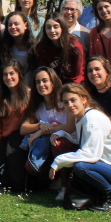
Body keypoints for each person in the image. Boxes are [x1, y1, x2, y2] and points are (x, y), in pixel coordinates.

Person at [50, 84, 111, 212]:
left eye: (73, 100)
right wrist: (60, 134)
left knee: (82, 167)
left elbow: (91, 154)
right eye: (66, 102)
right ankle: (101, 196)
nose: (70, 105)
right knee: (81, 165)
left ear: (84, 99)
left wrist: (58, 161)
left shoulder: (92, 118)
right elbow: (79, 139)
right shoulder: (82, 117)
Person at [19, 67, 75, 198]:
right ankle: (53, 180)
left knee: (58, 143)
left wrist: (44, 130)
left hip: (71, 144)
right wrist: (40, 126)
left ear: (53, 82)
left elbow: (70, 127)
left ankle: (65, 186)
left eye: (45, 81)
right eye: (38, 82)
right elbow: (23, 129)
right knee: (30, 167)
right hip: (47, 147)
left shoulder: (64, 102)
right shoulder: (38, 106)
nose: (41, 85)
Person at [0, 60, 30, 191]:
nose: (8, 78)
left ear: (19, 74)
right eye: (5, 74)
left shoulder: (29, 95)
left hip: (24, 137)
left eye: (12, 73)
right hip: (5, 138)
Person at [36, 12, 85, 84]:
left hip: (76, 84)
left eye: (56, 27)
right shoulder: (42, 48)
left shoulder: (74, 47)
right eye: (49, 27)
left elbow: (76, 76)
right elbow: (47, 72)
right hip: (55, 85)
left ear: (62, 28)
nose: (52, 31)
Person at [2, 11, 39, 84]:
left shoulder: (35, 49)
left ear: (25, 25)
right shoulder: (5, 47)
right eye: (10, 25)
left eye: (16, 24)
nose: (13, 27)